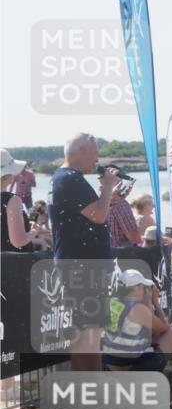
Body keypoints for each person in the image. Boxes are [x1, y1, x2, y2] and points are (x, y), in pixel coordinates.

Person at [50, 133, 117, 371]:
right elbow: (98, 216)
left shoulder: (63, 178)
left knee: (88, 331)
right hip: (82, 266)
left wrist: (110, 197)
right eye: (95, 153)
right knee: (88, 333)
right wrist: (107, 188)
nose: (97, 159)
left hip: (79, 264)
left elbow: (93, 214)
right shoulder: (70, 179)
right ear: (82, 152)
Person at [102, 268, 172, 372]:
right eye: (142, 286)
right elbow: (165, 327)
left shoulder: (114, 302)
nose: (145, 289)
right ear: (135, 289)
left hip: (112, 363)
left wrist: (147, 302)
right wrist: (155, 300)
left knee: (160, 336)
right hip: (130, 368)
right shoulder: (137, 309)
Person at [1, 149, 31, 252]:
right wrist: (35, 232)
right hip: (11, 263)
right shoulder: (12, 200)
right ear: (6, 176)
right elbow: (18, 241)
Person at [109, 184, 140, 248]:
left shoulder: (100, 203)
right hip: (123, 253)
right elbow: (133, 237)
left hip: (106, 252)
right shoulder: (120, 205)